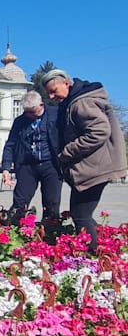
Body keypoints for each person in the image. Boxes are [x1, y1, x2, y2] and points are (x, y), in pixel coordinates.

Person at [42, 68, 128, 253]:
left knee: (81, 214)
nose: (51, 96)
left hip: (95, 168)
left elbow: (99, 132)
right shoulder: (74, 101)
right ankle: (102, 249)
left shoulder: (81, 103)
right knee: (82, 214)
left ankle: (91, 256)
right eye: (48, 93)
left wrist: (67, 152)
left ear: (66, 83)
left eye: (53, 90)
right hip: (92, 167)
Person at [0, 91, 62, 224]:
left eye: (33, 112)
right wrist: (6, 168)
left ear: (42, 105)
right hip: (27, 165)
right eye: (27, 112)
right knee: (20, 200)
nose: (30, 116)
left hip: (50, 165)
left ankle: (50, 230)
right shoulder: (20, 122)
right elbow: (10, 145)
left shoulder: (56, 115)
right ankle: (14, 228)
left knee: (51, 201)